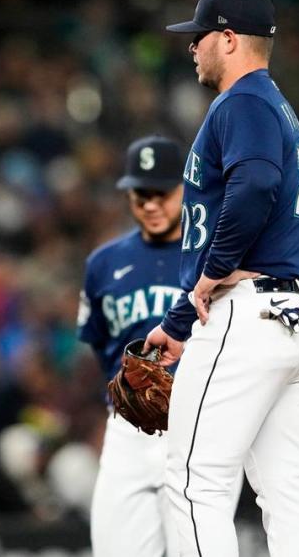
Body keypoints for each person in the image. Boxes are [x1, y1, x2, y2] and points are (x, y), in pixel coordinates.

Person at [146, 0, 299, 555]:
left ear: (228, 39)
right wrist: (179, 324)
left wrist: (208, 277)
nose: (192, 48)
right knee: (288, 488)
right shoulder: (274, 103)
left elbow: (255, 187)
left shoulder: (244, 100)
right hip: (297, 313)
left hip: (249, 316)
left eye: (199, 37)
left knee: (191, 481)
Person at [78, 135, 185, 557]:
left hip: (196, 426)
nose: (152, 204)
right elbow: (99, 343)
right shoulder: (102, 264)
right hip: (127, 430)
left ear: (184, 190)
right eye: (142, 194)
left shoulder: (213, 257)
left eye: (162, 193)